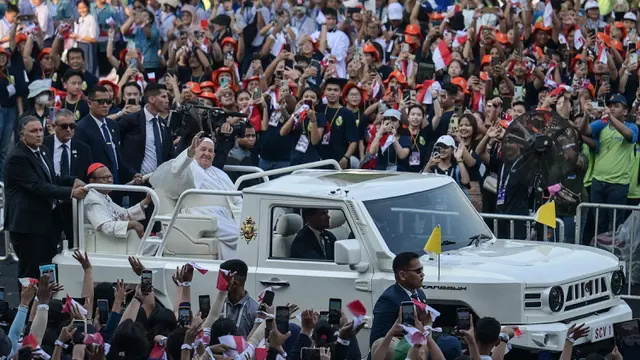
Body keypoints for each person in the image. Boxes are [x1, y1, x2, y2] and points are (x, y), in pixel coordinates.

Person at [3, 116, 88, 281]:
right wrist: (70, 192)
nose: (39, 134)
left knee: (47, 268)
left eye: (40, 130)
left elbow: (50, 178)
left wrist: (71, 180)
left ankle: (44, 304)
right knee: (31, 272)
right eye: (33, 131)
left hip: (46, 223)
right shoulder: (17, 158)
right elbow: (37, 186)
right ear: (21, 135)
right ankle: (26, 306)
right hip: (27, 226)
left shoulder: (43, 150)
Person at [149, 131, 241, 260]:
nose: (207, 154)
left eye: (210, 151)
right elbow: (177, 170)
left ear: (214, 155)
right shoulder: (189, 168)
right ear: (195, 151)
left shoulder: (221, 174)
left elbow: (237, 199)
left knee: (250, 231)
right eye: (203, 149)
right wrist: (189, 152)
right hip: (201, 215)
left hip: (225, 216)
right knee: (243, 237)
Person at [75, 85, 140, 190]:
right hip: (97, 187)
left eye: (108, 102)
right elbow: (83, 163)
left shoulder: (113, 125)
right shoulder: (81, 128)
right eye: (101, 102)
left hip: (117, 184)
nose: (105, 105)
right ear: (90, 103)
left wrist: (133, 173)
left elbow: (117, 157)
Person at [43, 109, 93, 245]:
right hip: (50, 204)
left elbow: (87, 176)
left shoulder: (83, 149)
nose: (69, 130)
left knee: (76, 246)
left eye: (72, 126)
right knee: (48, 248)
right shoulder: (43, 146)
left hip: (74, 206)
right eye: (64, 126)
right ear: (54, 126)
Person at [370, 252, 428, 346]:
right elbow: (377, 341)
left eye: (422, 270)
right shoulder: (388, 300)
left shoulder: (420, 294)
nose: (422, 274)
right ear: (402, 275)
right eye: (418, 271)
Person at [84, 163, 152, 239]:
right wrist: (131, 224)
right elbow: (106, 227)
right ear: (92, 181)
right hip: (106, 244)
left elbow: (123, 215)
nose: (110, 180)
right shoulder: (92, 199)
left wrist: (146, 201)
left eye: (110, 177)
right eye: (105, 178)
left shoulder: (104, 196)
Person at [219, 259, 259, 337]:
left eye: (222, 280)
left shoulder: (254, 310)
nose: (219, 284)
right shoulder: (219, 306)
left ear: (234, 283)